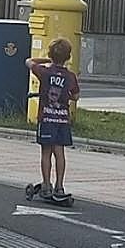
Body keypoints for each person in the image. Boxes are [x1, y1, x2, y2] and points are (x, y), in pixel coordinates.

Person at [26, 38, 80, 199]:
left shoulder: (44, 72)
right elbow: (75, 96)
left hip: (47, 119)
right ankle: (60, 186)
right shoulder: (70, 76)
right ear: (68, 57)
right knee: (60, 153)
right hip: (62, 120)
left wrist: (47, 60)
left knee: (45, 153)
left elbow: (28, 61)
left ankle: (46, 185)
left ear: (50, 55)